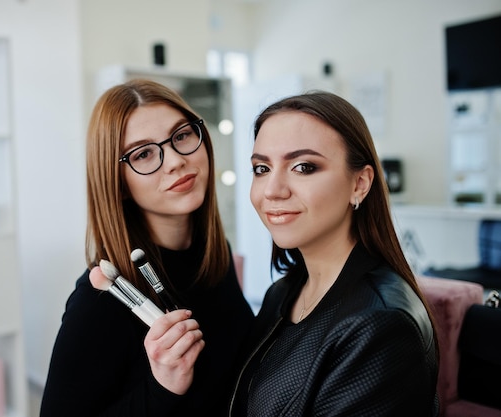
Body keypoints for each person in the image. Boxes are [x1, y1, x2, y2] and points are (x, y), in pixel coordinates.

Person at [40, 79, 254, 416]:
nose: (174, 161)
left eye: (182, 135)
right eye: (143, 154)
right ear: (119, 184)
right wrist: (162, 388)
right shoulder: (100, 299)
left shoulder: (215, 255)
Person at [229, 91, 439, 416]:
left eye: (303, 167)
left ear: (360, 183)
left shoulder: (379, 326)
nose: (272, 190)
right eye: (261, 169)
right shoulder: (283, 292)